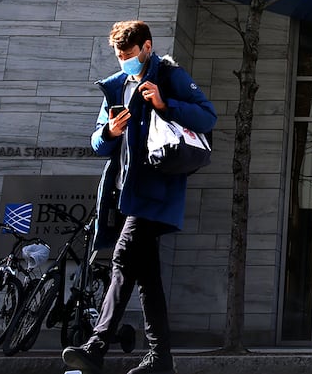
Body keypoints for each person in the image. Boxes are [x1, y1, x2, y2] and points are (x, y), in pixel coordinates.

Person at [63, 20, 216, 374]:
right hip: (124, 193)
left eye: (129, 54)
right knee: (146, 276)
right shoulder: (116, 86)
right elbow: (97, 144)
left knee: (121, 258)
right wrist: (109, 131)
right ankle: (160, 358)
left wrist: (165, 104)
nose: (124, 61)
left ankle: (96, 346)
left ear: (146, 47)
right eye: (119, 56)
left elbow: (208, 116)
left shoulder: (170, 75)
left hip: (156, 190)